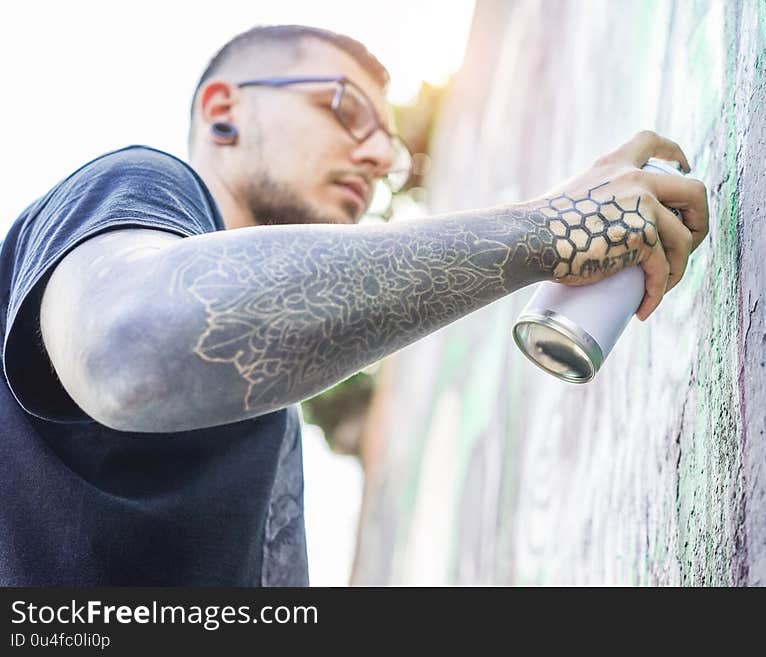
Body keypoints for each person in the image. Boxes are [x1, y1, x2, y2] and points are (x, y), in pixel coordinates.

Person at [0, 24, 709, 586]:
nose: (375, 156)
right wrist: (550, 229)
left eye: (392, 151)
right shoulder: (141, 185)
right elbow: (131, 350)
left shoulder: (268, 409)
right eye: (345, 110)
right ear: (224, 111)